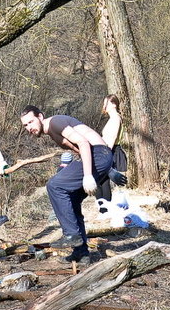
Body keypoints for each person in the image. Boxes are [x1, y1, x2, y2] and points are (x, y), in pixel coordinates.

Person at [19, 105, 113, 262]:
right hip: (100, 157)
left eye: (31, 122)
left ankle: (71, 235)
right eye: (25, 125)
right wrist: (110, 170)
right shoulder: (51, 131)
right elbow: (79, 149)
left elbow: (83, 143)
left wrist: (89, 175)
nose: (29, 128)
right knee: (71, 199)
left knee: (54, 185)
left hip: (98, 155)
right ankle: (81, 253)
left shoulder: (55, 122)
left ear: (40, 117)